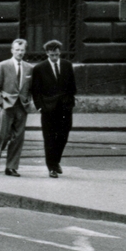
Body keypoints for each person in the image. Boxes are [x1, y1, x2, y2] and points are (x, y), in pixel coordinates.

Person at [31, 39, 77, 178]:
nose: (55, 57)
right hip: (48, 109)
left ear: (59, 52)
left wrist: (69, 102)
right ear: (47, 54)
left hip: (65, 108)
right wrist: (40, 107)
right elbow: (35, 91)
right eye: (52, 55)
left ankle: (56, 161)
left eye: (57, 54)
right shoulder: (39, 68)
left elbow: (72, 87)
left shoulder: (67, 65)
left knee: (63, 135)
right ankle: (51, 167)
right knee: (49, 138)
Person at [0, 38, 32, 176]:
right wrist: (1, 103)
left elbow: (31, 88)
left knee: (18, 137)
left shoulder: (29, 68)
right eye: (17, 50)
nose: (19, 52)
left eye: (22, 50)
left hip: (22, 107)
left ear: (25, 51)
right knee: (3, 135)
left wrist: (28, 101)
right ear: (12, 50)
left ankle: (11, 167)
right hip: (7, 106)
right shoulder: (3, 66)